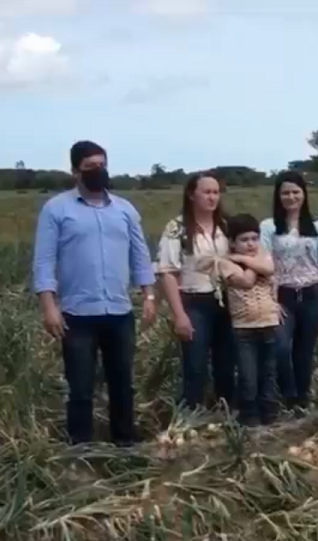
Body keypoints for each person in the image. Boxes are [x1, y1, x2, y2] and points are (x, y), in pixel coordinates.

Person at [32, 140, 156, 445]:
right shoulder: (57, 209)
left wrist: (149, 295)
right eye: (90, 167)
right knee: (80, 385)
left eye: (102, 165)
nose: (98, 172)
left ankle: (125, 443)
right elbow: (44, 260)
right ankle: (82, 447)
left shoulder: (125, 210)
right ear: (76, 171)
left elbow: (139, 255)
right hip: (77, 313)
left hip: (119, 311)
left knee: (122, 382)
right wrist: (49, 306)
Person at [155, 172, 237, 411]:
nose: (212, 198)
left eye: (215, 192)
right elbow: (168, 271)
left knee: (226, 362)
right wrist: (179, 314)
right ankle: (191, 413)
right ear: (192, 195)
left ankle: (226, 412)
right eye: (206, 192)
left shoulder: (226, 226)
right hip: (194, 301)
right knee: (195, 363)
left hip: (227, 302)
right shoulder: (177, 228)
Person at [260, 171, 318, 415]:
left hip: (311, 294)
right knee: (280, 347)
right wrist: (269, 300)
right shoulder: (269, 227)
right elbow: (263, 265)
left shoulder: (317, 227)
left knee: (304, 351)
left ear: (304, 195)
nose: (291, 197)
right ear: (278, 195)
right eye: (285, 192)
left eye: (295, 192)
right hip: (282, 295)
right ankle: (288, 393)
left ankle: (301, 400)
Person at [211, 213, 280, 426]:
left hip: (269, 323)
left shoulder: (257, 256)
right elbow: (247, 281)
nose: (251, 244)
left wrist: (242, 259)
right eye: (244, 240)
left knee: (268, 372)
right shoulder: (224, 264)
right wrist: (252, 263)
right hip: (244, 328)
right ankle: (249, 414)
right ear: (232, 242)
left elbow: (269, 268)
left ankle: (269, 412)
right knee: (248, 375)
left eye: (254, 239)